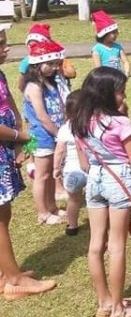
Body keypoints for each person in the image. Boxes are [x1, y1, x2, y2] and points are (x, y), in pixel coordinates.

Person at [71, 67, 131, 317]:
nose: (123, 97)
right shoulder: (120, 123)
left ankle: (104, 301)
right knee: (116, 247)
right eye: (120, 92)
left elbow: (84, 160)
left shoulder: (80, 119)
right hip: (118, 180)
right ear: (106, 94)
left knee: (96, 245)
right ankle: (117, 308)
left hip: (94, 179)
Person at [0, 22, 57, 300]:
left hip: (5, 150)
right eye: (0, 43)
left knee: (4, 213)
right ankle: (14, 279)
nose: (6, 47)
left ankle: (5, 272)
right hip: (10, 144)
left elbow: (9, 105)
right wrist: (20, 138)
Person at [22, 39, 67, 224]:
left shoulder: (49, 82)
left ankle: (52, 207)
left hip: (54, 135)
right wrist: (58, 133)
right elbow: (41, 116)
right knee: (42, 175)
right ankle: (43, 213)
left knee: (51, 174)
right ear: (37, 64)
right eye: (50, 64)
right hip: (42, 137)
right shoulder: (33, 87)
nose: (54, 68)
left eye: (56, 64)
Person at [53, 90, 88, 236]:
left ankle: (72, 226)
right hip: (88, 169)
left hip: (72, 171)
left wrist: (56, 168)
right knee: (93, 199)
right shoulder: (89, 125)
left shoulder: (64, 129)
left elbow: (60, 151)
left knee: (73, 200)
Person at [91, 11, 131, 77]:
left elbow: (126, 61)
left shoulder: (118, 47)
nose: (116, 34)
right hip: (105, 79)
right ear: (104, 34)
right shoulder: (97, 49)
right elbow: (98, 69)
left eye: (117, 32)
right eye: (113, 32)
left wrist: (126, 72)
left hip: (117, 78)